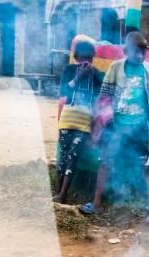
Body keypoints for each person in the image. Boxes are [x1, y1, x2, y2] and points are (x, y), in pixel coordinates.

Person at [79, 32, 149, 215]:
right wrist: (98, 125)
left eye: (144, 49)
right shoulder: (115, 68)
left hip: (140, 127)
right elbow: (105, 98)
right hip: (117, 126)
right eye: (136, 50)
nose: (140, 54)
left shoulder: (148, 70)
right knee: (105, 162)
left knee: (146, 165)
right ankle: (97, 203)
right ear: (126, 51)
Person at [54, 41, 103, 204]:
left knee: (73, 156)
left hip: (84, 122)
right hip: (68, 119)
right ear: (76, 57)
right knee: (63, 155)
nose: (86, 61)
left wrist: (96, 127)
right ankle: (57, 192)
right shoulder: (69, 70)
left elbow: (99, 100)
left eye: (89, 58)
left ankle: (63, 194)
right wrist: (77, 78)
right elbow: (64, 93)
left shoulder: (96, 74)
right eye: (83, 58)